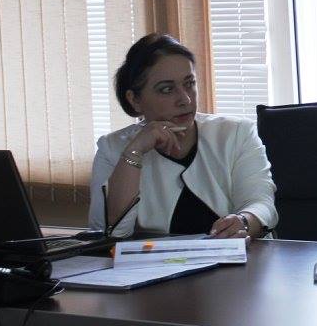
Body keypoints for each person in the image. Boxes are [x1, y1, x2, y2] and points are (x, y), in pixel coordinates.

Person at [88, 33, 277, 238]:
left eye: (189, 83)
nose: (185, 99)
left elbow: (262, 204)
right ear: (135, 100)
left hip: (241, 255)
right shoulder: (112, 148)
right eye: (167, 89)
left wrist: (244, 221)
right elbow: (109, 233)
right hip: (156, 259)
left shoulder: (236, 133)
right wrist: (134, 152)